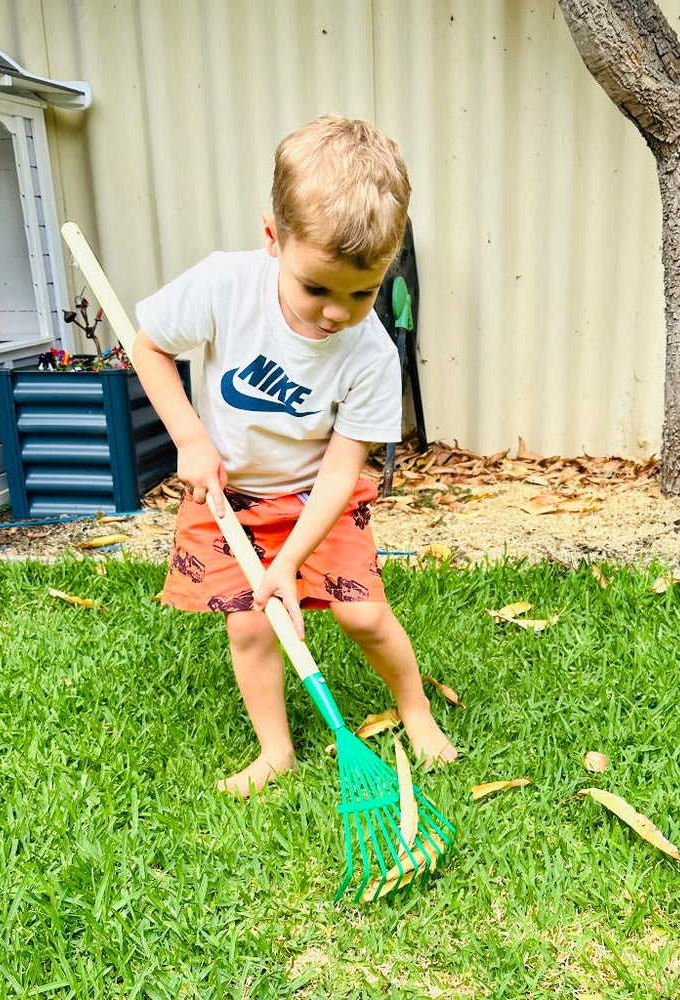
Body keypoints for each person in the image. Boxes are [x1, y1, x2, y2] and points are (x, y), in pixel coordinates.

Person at [132, 113, 458, 798]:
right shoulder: (225, 285)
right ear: (273, 239)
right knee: (251, 627)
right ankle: (275, 750)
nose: (337, 313)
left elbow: (343, 470)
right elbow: (148, 346)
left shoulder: (370, 352)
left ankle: (415, 706)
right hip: (231, 495)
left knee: (363, 614)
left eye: (362, 292)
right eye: (318, 287)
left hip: (317, 497)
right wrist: (190, 438)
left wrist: (286, 563)